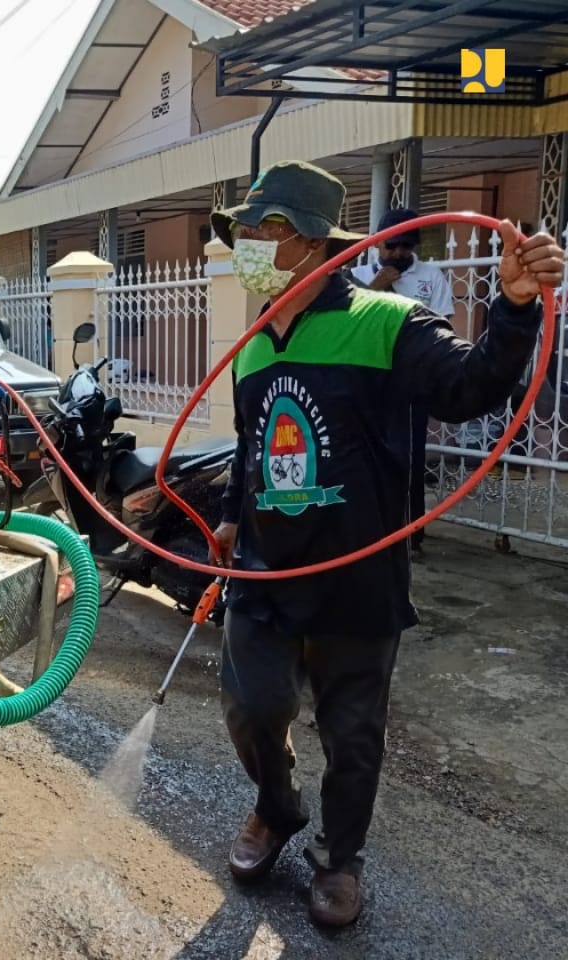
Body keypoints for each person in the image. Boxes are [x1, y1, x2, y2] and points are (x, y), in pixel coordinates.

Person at [207, 161, 563, 929]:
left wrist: (514, 306)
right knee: (250, 706)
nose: (245, 246)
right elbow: (250, 447)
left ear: (305, 242)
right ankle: (277, 806)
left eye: (258, 232)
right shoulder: (254, 343)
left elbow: (470, 388)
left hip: (356, 573)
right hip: (265, 571)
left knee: (354, 734)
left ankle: (339, 860)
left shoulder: (387, 321)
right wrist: (234, 516)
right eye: (241, 232)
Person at [351, 208, 455, 553]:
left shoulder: (430, 276)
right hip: (367, 377)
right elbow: (346, 325)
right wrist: (374, 288)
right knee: (363, 452)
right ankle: (368, 526)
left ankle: (411, 530)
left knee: (409, 456)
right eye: (391, 246)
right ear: (377, 245)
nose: (398, 254)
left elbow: (443, 326)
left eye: (405, 248)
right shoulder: (356, 276)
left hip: (411, 380)